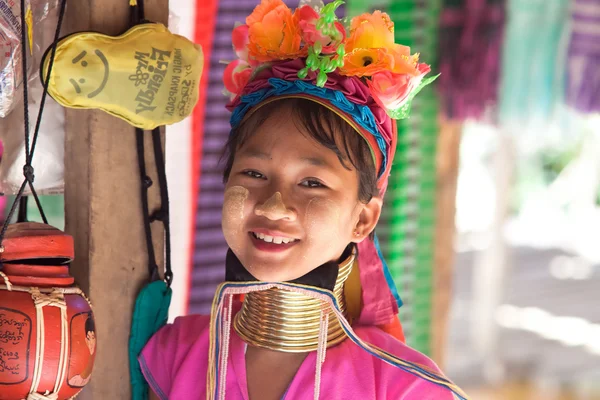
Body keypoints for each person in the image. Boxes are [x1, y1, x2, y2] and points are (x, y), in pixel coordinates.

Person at [140, 1, 467, 399]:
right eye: (254, 174)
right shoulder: (173, 354)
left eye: (312, 183)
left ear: (363, 220)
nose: (273, 206)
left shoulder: (405, 388)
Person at [68, 312, 96, 387]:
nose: (90, 341)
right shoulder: (75, 380)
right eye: (88, 338)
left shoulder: (78, 380)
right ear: (86, 340)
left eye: (93, 337)